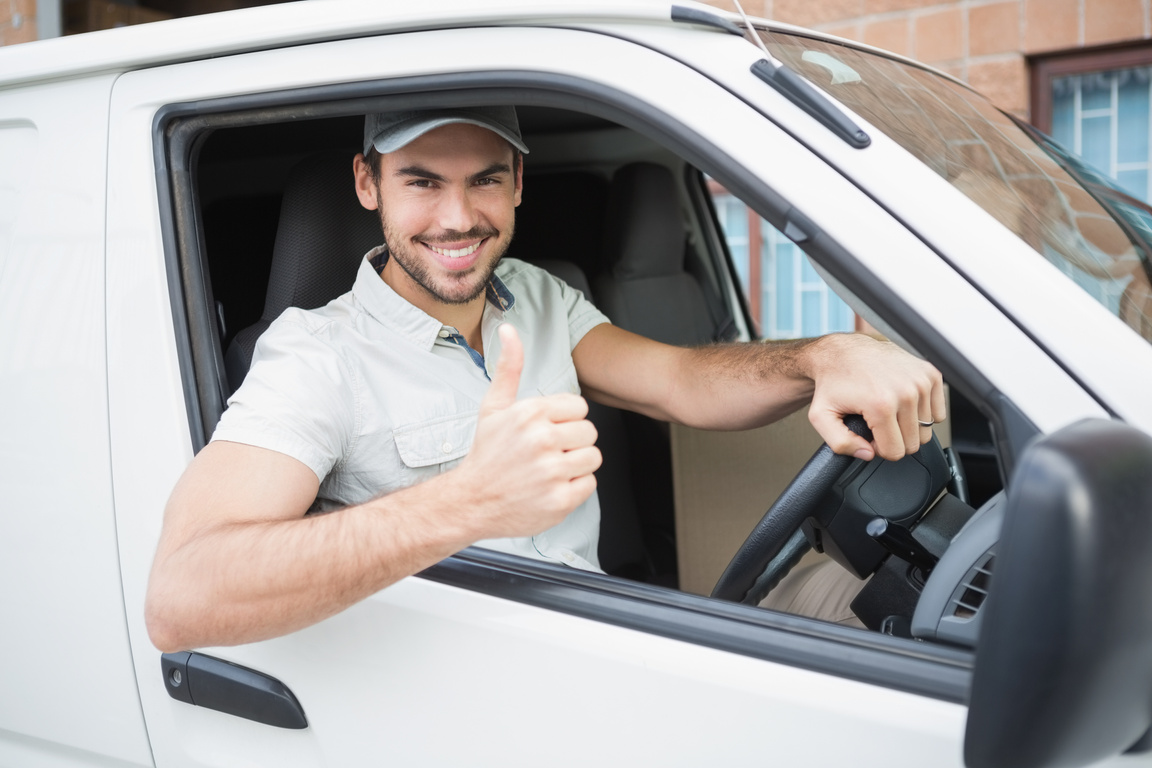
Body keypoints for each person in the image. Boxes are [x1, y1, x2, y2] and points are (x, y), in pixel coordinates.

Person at [145, 106, 945, 653]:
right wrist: (465, 504)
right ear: (367, 184)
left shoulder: (535, 293)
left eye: (485, 179)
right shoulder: (314, 356)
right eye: (422, 181)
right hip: (489, 689)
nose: (458, 217)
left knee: (926, 623)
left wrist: (821, 358)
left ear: (520, 182)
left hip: (607, 630)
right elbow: (182, 597)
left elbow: (678, 382)